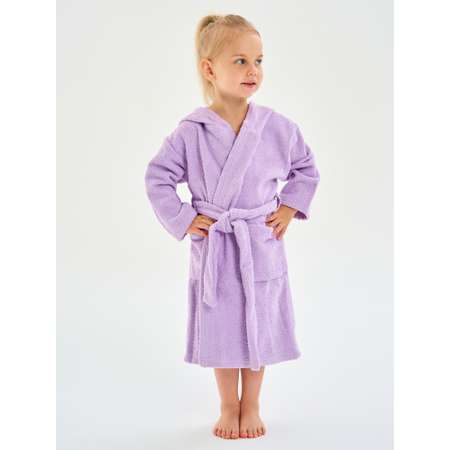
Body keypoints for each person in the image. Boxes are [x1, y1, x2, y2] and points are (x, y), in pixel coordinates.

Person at [144, 14, 320, 440]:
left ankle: (252, 404)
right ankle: (228, 405)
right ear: (209, 69)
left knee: (259, 323)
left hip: (259, 240)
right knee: (222, 327)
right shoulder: (191, 132)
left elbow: (306, 168)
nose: (253, 70)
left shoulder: (277, 127)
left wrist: (289, 207)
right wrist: (185, 219)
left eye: (258, 60)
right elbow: (157, 177)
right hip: (217, 245)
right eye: (240, 61)